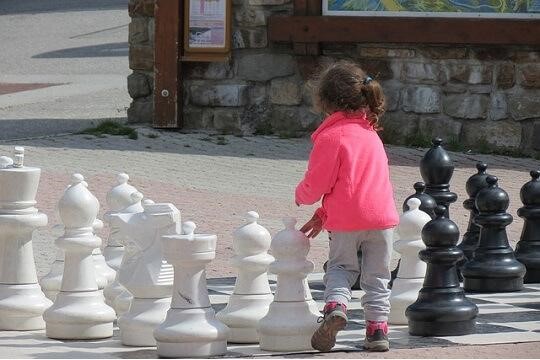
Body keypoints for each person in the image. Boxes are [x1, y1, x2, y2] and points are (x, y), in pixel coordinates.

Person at [295, 60, 399, 352]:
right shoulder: (371, 135)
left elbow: (319, 184)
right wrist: (323, 214)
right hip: (382, 219)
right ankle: (377, 331)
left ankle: (336, 308)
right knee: (378, 275)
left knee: (341, 267)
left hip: (345, 222)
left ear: (325, 101)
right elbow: (361, 186)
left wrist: (302, 197)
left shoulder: (330, 137)